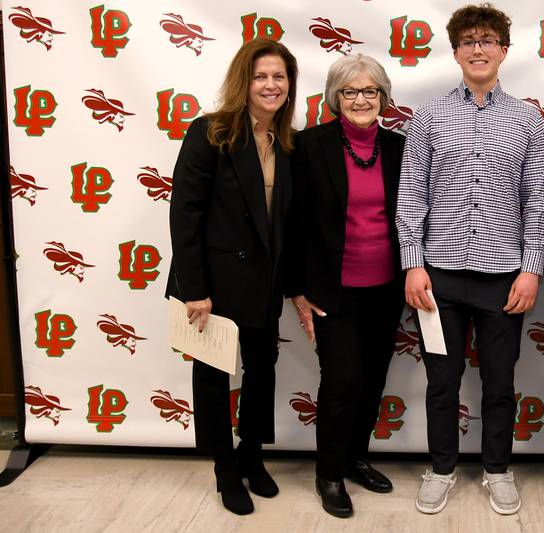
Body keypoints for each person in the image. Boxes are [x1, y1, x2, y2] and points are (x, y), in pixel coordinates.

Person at [396, 3, 544, 516]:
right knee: (441, 380)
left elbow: (535, 203)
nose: (478, 49)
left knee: (500, 382)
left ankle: (498, 469)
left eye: (488, 40)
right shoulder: (428, 117)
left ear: (504, 51)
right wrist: (414, 264)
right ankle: (440, 469)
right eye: (468, 41)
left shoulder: (528, 119)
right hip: (438, 278)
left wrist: (531, 269)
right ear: (456, 51)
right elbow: (412, 196)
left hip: (503, 280)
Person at [167, 38, 297, 515]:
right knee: (214, 376)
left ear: (289, 85)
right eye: (261, 76)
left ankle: (251, 456)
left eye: (279, 77)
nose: (270, 85)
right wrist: (195, 289)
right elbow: (185, 215)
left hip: (264, 283)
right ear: (245, 81)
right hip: (215, 287)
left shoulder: (286, 142)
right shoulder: (210, 133)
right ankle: (225, 468)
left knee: (263, 372)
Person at [285, 54, 406, 519]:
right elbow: (292, 226)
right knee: (341, 381)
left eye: (370, 91)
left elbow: (412, 216)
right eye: (351, 92)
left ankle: (356, 457)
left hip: (386, 287)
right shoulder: (309, 146)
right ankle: (328, 474)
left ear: (383, 97)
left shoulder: (398, 147)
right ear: (336, 97)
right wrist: (297, 289)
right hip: (331, 290)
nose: (360, 100)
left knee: (373, 379)